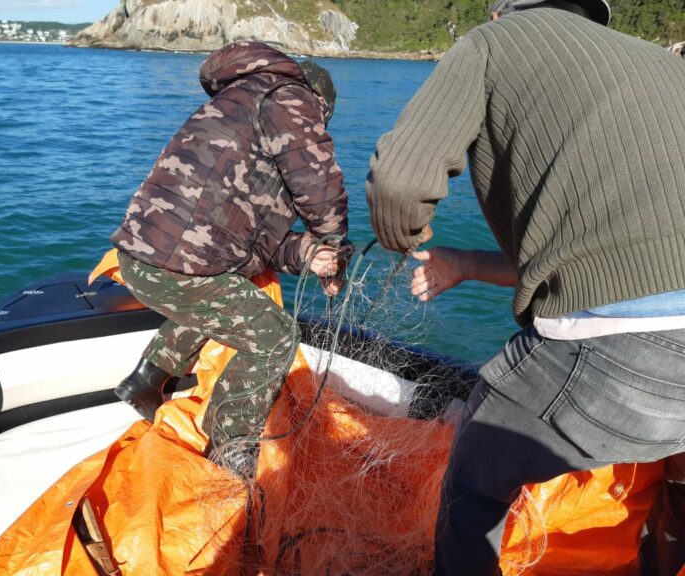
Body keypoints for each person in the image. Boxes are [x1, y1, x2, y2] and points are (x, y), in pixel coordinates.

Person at [366, 0, 685, 574]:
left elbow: (399, 179)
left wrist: (400, 233)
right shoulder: (666, 65)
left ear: (502, 11)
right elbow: (606, 257)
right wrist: (462, 261)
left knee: (474, 479)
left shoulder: (496, 42)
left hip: (623, 347)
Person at [110, 41, 349, 479]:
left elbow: (254, 241)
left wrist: (311, 254)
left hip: (145, 258)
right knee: (276, 337)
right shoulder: (287, 95)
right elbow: (318, 182)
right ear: (318, 103)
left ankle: (146, 381)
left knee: (224, 293)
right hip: (175, 265)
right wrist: (336, 242)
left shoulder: (241, 105)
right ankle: (230, 442)